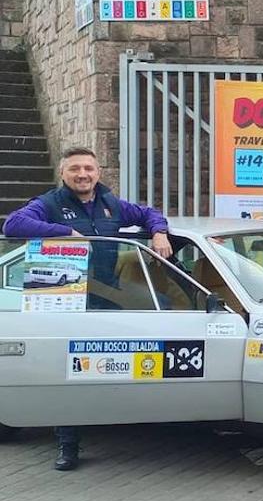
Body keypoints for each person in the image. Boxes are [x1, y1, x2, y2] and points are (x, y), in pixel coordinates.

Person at [2, 146, 172, 472]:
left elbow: (149, 213)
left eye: (89, 169)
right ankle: (68, 444)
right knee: (69, 373)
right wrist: (64, 232)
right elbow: (13, 225)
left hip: (106, 299)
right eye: (75, 169)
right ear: (63, 174)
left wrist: (159, 231)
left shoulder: (111, 204)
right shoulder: (50, 203)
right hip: (65, 301)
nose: (83, 175)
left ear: (98, 173)